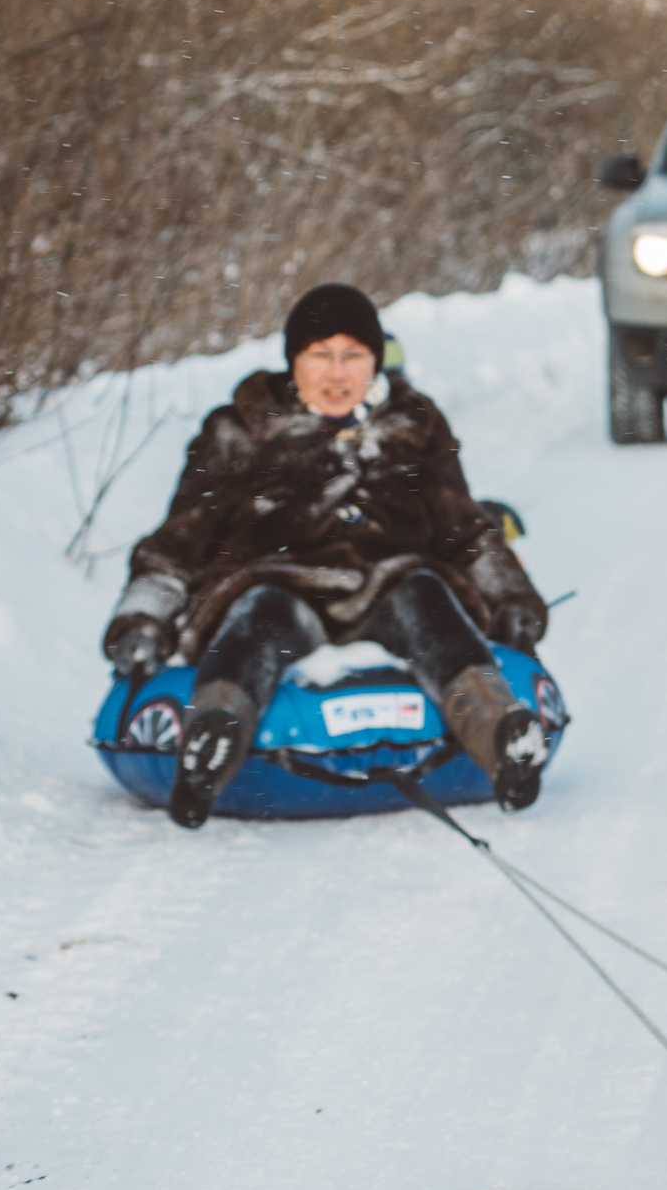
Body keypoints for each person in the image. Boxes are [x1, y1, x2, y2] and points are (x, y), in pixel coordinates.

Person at [103, 283, 551, 829]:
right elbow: (179, 540)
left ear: (375, 361)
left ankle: (503, 739)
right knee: (258, 619)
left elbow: (466, 529)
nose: (337, 374)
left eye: (353, 356)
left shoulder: (416, 426)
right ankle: (211, 742)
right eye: (321, 356)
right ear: (294, 361)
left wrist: (511, 598)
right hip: (281, 585)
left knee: (429, 602)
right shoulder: (238, 430)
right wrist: (143, 617)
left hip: (390, 583)